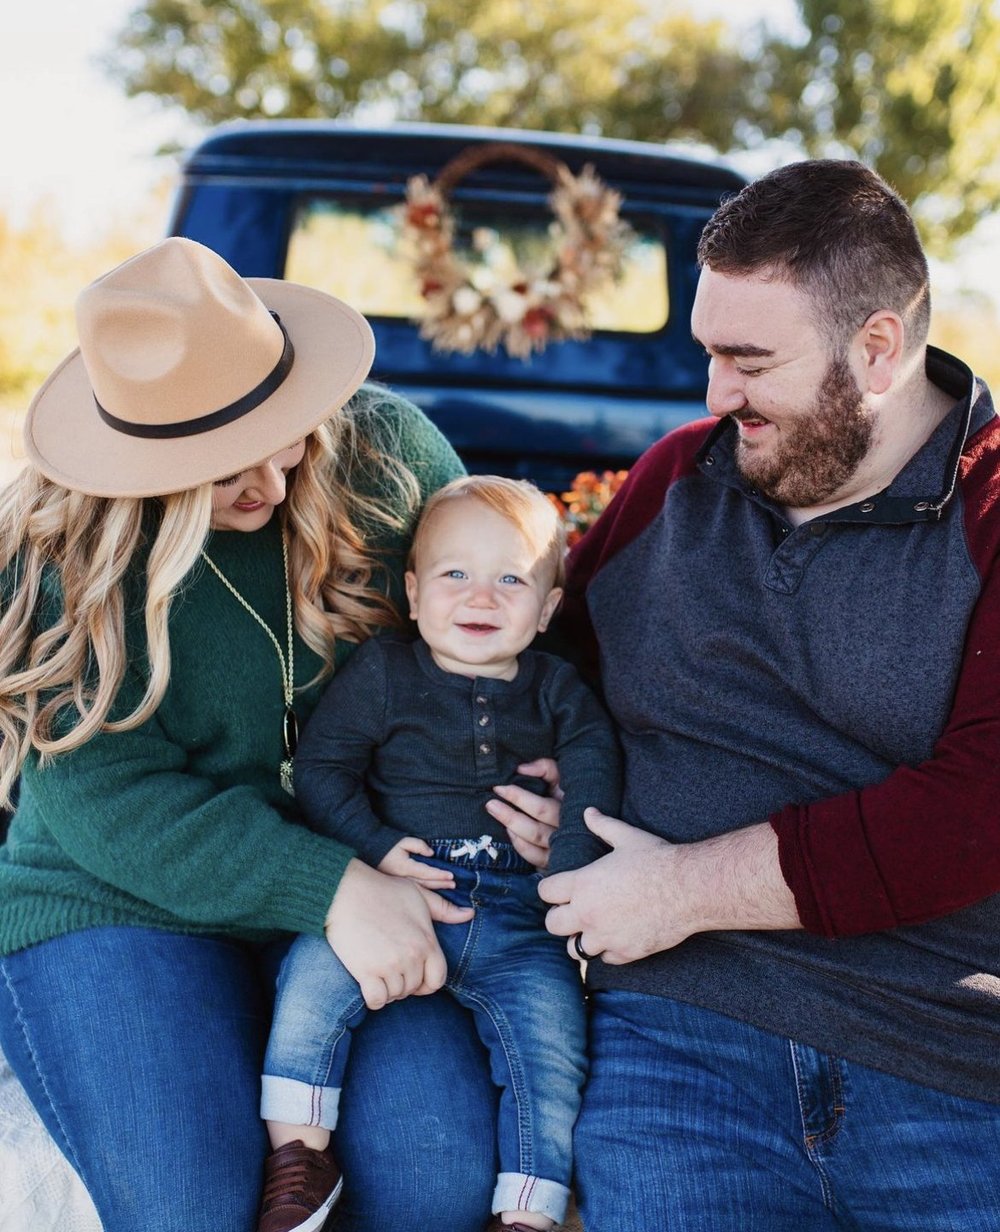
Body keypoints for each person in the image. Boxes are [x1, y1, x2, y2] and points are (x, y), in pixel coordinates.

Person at [0, 236, 561, 1232]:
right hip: (121, 893)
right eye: (223, 465)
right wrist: (329, 886)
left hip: (384, 869)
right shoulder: (63, 551)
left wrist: (534, 772)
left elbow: (486, 628)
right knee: (189, 1209)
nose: (273, 471)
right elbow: (108, 796)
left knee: (432, 1180)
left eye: (285, 429)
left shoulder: (388, 456)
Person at [538, 159, 1000, 1231]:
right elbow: (545, 667)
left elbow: (979, 808)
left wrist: (681, 890)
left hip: (943, 1054)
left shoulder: (988, 515)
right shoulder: (672, 482)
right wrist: (512, 775)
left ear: (876, 348)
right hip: (678, 1038)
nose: (714, 396)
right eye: (708, 355)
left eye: (749, 362)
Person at [256, 474, 621, 1232]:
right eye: (455, 575)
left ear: (549, 607)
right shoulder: (386, 674)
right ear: (415, 595)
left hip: (518, 925)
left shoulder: (557, 690)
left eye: (510, 580)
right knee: (312, 984)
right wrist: (377, 849)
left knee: (550, 1053)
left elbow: (594, 766)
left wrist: (570, 863)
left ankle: (528, 1209)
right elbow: (323, 769)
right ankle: (298, 1158)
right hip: (397, 902)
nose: (480, 598)